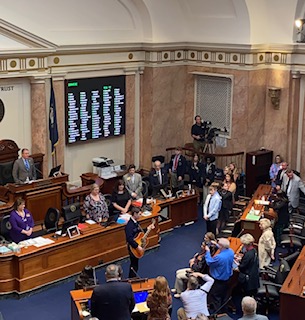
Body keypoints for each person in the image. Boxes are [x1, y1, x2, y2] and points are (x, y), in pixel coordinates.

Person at [172, 232, 217, 298]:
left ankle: (180, 293)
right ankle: (177, 288)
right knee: (178, 271)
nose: (201, 246)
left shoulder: (205, 257)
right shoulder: (203, 252)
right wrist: (195, 258)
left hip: (197, 273)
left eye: (202, 246)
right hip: (194, 269)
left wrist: (192, 264)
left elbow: (198, 268)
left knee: (179, 276)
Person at [205, 238, 234, 314]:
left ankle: (218, 314)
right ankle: (224, 310)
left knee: (216, 297)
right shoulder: (231, 252)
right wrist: (216, 245)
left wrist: (207, 251)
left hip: (218, 281)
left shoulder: (219, 257)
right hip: (228, 279)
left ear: (221, 246)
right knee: (224, 296)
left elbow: (209, 262)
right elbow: (223, 248)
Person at [125, 206, 155, 278]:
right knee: (134, 264)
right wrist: (137, 247)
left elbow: (139, 233)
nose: (140, 215)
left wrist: (147, 229)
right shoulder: (129, 225)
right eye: (139, 214)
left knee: (135, 264)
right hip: (133, 247)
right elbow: (129, 239)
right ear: (134, 214)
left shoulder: (136, 223)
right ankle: (131, 278)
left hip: (136, 245)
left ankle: (133, 277)